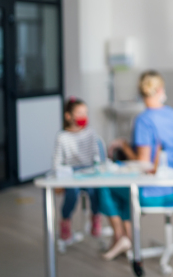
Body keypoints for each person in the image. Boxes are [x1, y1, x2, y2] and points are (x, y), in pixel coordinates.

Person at [99, 70, 173, 260]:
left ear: (141, 92)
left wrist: (123, 145)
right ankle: (127, 238)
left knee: (106, 185)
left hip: (153, 193)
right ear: (161, 90)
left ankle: (121, 236)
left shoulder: (144, 120)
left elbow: (144, 162)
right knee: (123, 190)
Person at [53, 97, 101, 242]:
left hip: (89, 171)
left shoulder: (90, 133)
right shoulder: (62, 137)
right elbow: (57, 161)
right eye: (79, 113)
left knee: (96, 191)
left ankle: (95, 218)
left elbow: (96, 155)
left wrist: (97, 168)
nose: (83, 116)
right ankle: (65, 221)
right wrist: (58, 181)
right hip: (71, 173)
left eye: (85, 113)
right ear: (68, 116)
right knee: (72, 194)